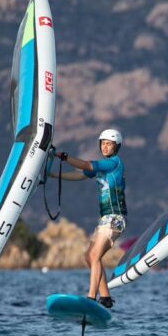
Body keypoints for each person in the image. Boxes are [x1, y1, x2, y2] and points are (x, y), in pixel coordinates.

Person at [47, 129, 127, 308]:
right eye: (103, 143)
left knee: (94, 255)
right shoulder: (103, 168)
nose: (105, 147)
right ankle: (105, 297)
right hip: (106, 219)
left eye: (109, 144)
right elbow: (80, 175)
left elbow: (85, 165)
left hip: (115, 218)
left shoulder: (114, 163)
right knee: (89, 257)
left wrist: (63, 156)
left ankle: (91, 298)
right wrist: (53, 175)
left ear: (116, 147)